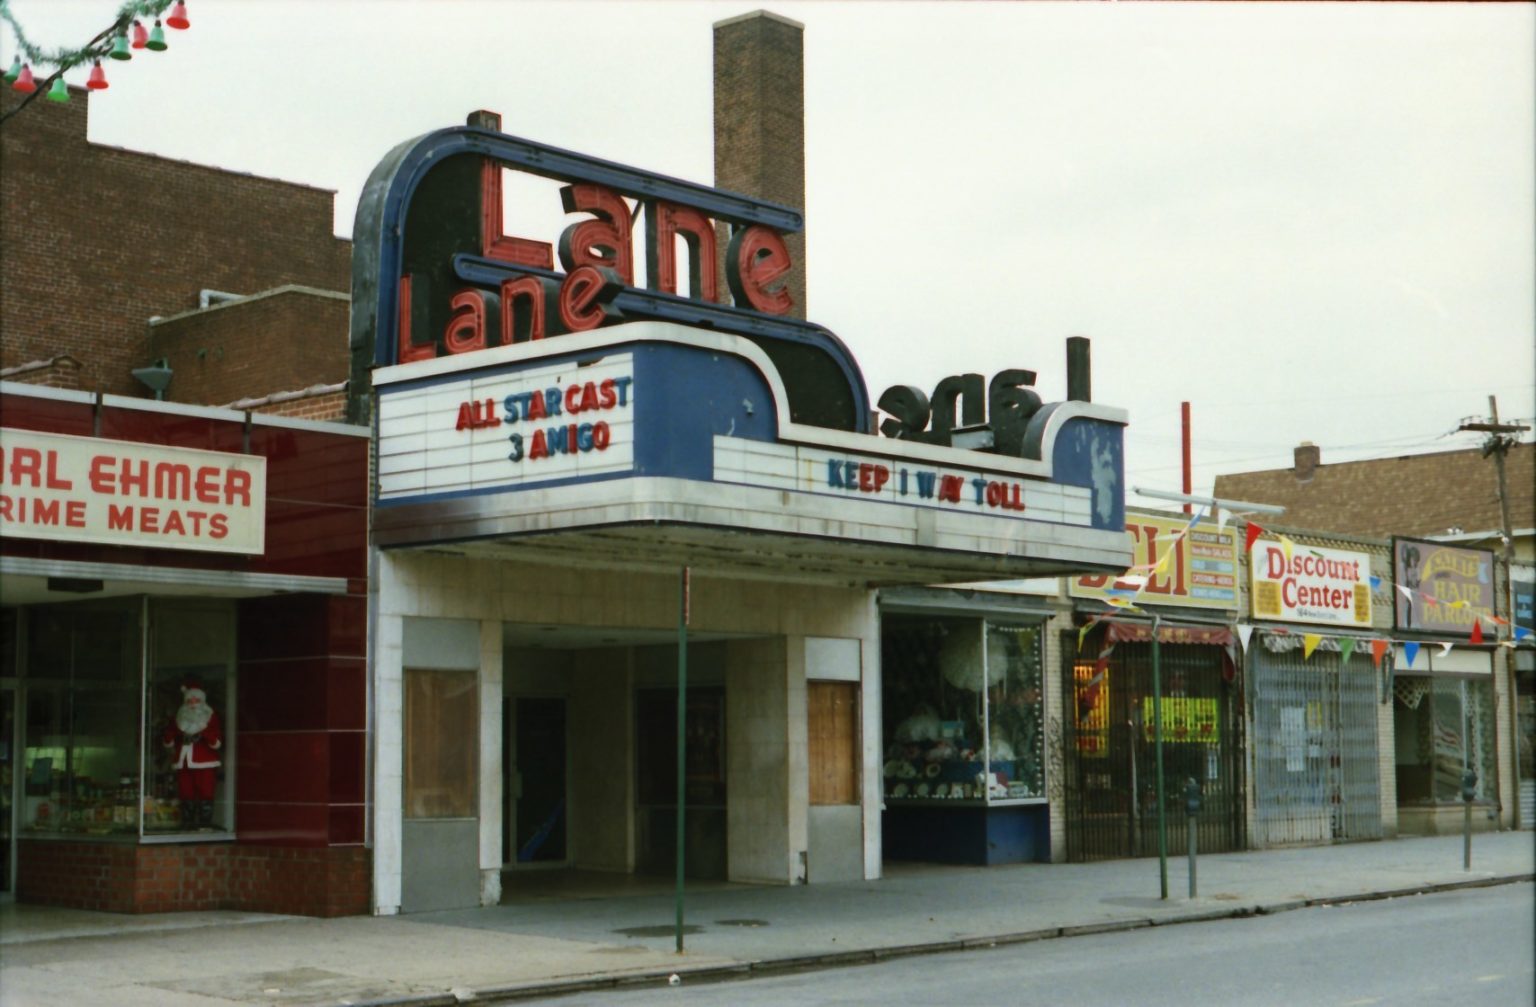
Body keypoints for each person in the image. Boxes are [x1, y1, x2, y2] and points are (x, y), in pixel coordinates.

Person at [161, 681, 222, 828]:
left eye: (196, 700)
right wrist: (171, 734)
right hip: (184, 761)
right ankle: (187, 824)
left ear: (202, 701)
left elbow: (217, 743)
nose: (192, 703)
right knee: (185, 793)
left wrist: (204, 731)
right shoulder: (179, 717)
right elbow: (168, 742)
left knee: (205, 793)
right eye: (189, 700)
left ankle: (204, 825)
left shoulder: (210, 717)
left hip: (204, 761)